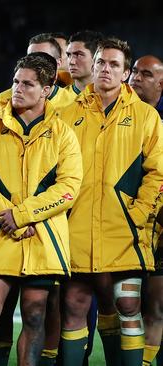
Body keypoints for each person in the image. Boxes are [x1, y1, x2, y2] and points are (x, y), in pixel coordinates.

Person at [0, 52, 83, 366]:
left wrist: (23, 214)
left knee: (34, 315)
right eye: (16, 81)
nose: (17, 89)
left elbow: (68, 187)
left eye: (27, 84)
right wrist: (10, 216)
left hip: (41, 237)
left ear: (46, 89)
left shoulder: (63, 134)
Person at [59, 38, 163, 366]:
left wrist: (141, 212)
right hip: (76, 226)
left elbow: (158, 173)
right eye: (102, 62)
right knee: (74, 304)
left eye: (114, 64)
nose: (106, 69)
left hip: (125, 230)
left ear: (125, 72)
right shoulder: (65, 114)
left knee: (128, 304)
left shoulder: (146, 116)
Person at [128, 54, 163, 366]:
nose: (136, 78)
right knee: (126, 304)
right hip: (124, 224)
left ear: (161, 83)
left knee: (156, 303)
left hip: (158, 226)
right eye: (134, 71)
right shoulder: (117, 113)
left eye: (146, 74)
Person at [0, 33, 77, 120]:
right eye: (30, 58)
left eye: (42, 59)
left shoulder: (73, 102)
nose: (33, 64)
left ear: (58, 63)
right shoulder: (1, 102)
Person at [65, 31, 105, 95]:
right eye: (69, 55)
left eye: (79, 55)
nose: (71, 62)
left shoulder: (116, 99)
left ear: (96, 58)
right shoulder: (56, 100)